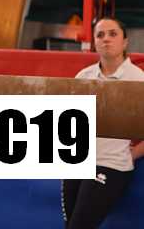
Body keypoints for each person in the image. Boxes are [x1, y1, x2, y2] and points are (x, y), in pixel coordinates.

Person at [61, 17, 144, 228]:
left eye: (113, 34)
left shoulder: (138, 80)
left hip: (111, 163)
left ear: (125, 42)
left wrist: (134, 153)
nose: (106, 39)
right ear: (95, 43)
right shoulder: (84, 76)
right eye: (100, 35)